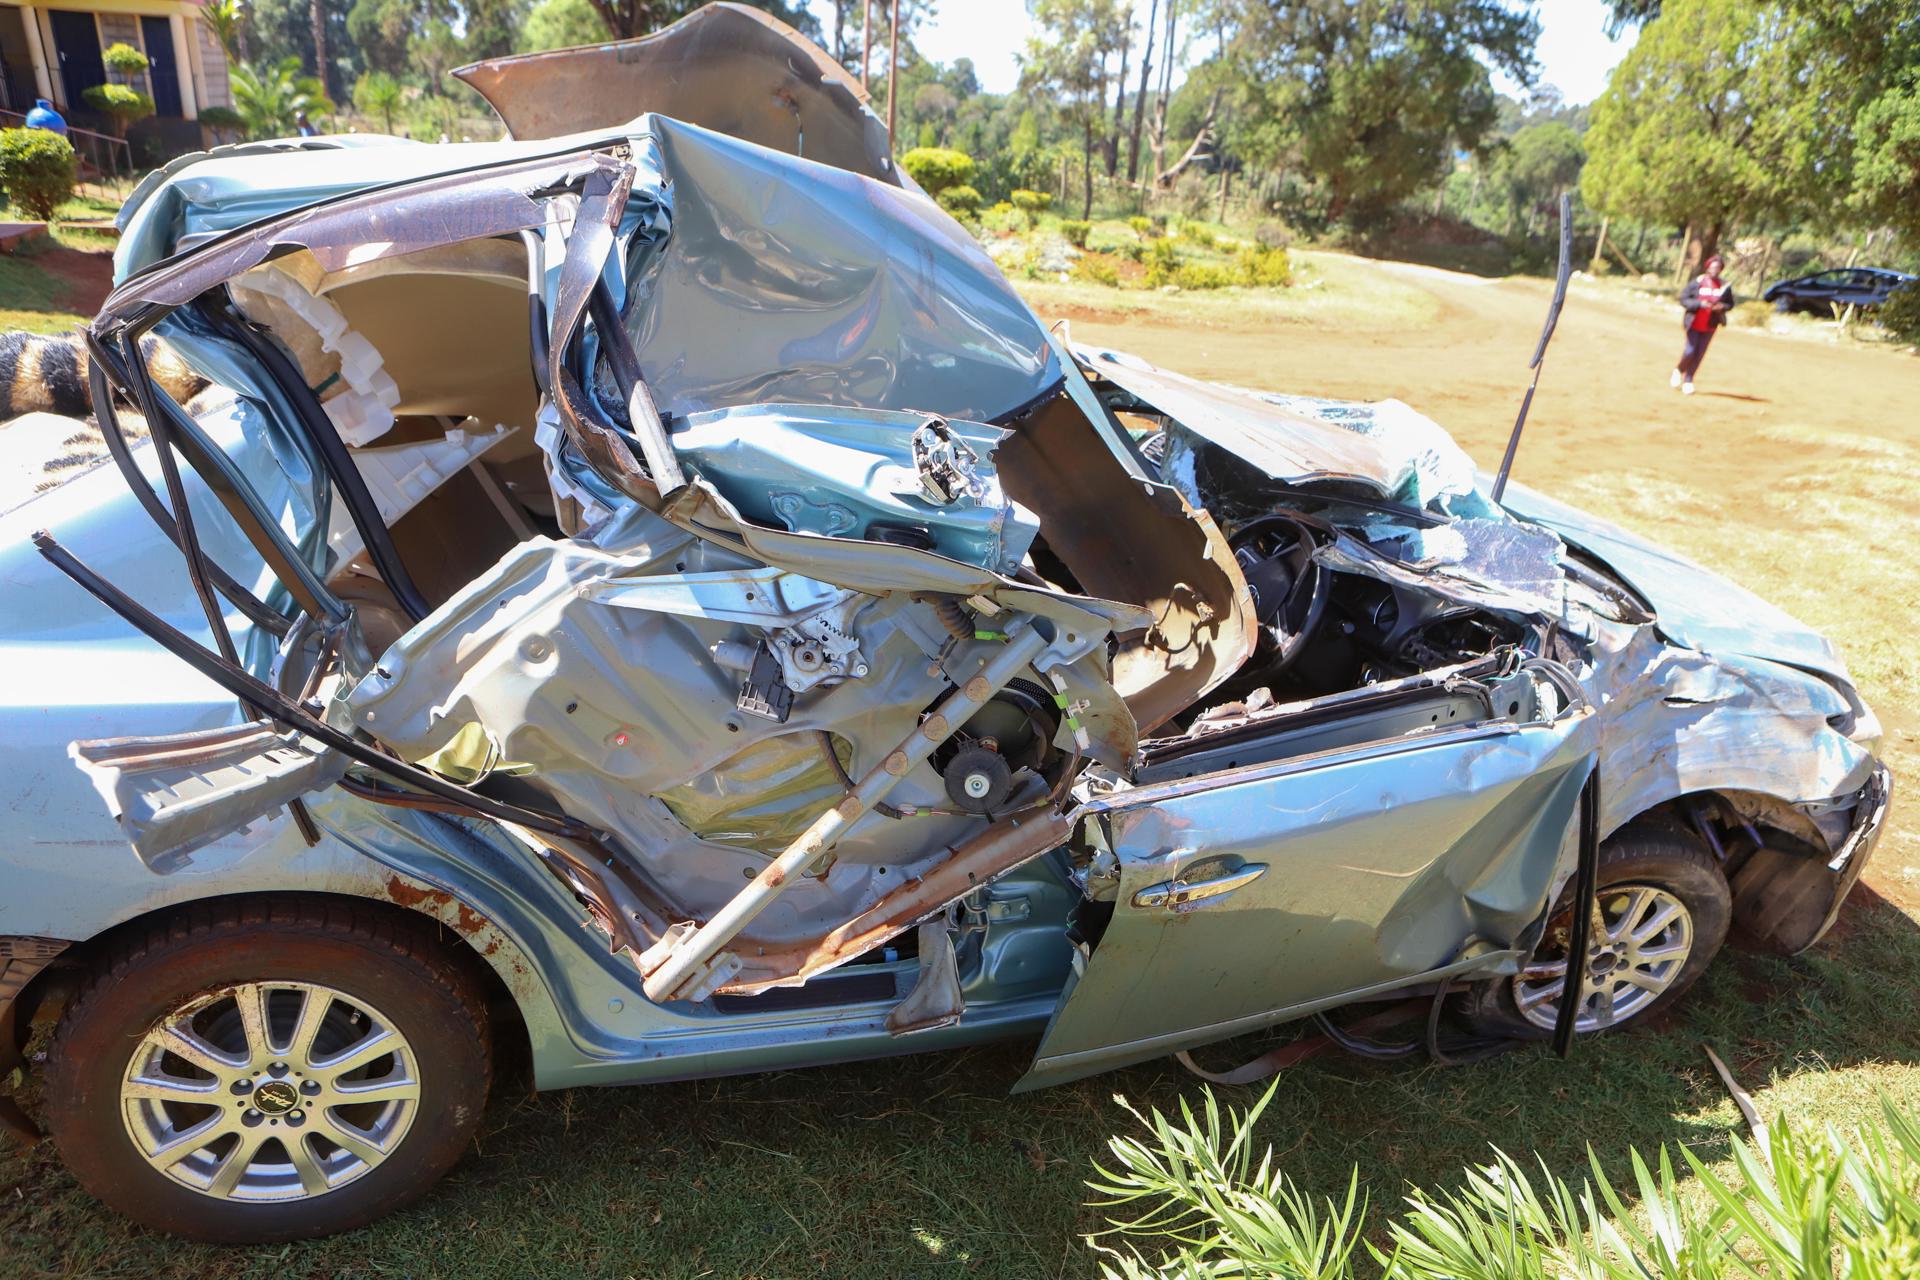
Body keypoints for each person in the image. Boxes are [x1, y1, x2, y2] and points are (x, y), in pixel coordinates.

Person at [1673, 254, 1735, 394]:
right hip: (1694, 323)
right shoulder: (1697, 282)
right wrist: (1700, 304)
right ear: (1707, 268)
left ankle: (1688, 380)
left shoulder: (1724, 286)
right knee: (1690, 350)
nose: (1715, 270)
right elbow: (1684, 299)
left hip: (1710, 325)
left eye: (1718, 268)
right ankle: (1679, 370)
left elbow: (1730, 304)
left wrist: (1722, 307)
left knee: (1699, 353)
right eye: (1713, 267)